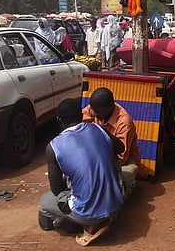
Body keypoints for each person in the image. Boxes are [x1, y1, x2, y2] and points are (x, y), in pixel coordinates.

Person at [38, 98, 124, 247]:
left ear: (59, 121)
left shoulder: (53, 147)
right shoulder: (99, 128)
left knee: (44, 202)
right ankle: (100, 213)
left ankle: (86, 224)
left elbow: (57, 190)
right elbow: (120, 148)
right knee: (110, 157)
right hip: (116, 202)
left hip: (88, 213)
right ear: (81, 115)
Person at [82, 87, 141, 198]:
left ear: (110, 107)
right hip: (97, 154)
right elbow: (80, 123)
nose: (94, 114)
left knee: (122, 180)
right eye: (93, 109)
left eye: (98, 111)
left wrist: (97, 167)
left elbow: (121, 157)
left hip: (124, 160)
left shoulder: (124, 123)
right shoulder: (96, 108)